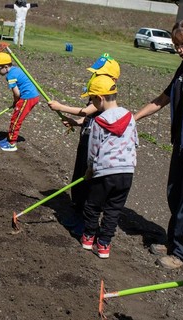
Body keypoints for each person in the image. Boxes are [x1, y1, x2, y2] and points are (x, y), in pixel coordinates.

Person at [134, 18, 183, 270]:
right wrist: (133, 118)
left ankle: (181, 254)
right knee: (174, 194)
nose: (180, 50)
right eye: (177, 45)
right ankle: (173, 240)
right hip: (181, 142)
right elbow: (163, 99)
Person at [47, 54, 120, 235]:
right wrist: (75, 122)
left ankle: (84, 220)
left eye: (98, 73)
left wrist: (60, 107)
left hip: (94, 146)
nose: (94, 76)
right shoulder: (96, 92)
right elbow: (87, 117)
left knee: (87, 182)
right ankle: (77, 209)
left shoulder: (104, 97)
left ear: (111, 78)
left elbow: (87, 111)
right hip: (85, 139)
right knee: (77, 177)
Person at [79, 75, 138, 259]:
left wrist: (89, 169)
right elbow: (135, 142)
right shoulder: (129, 117)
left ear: (100, 98)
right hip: (126, 172)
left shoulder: (98, 121)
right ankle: (104, 245)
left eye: (92, 99)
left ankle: (89, 237)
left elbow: (93, 148)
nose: (92, 103)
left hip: (104, 171)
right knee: (113, 209)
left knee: (92, 205)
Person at [0, 52, 39, 152]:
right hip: (31, 96)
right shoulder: (16, 69)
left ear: (5, 67)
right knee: (15, 119)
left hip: (27, 98)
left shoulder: (10, 76)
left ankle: (12, 144)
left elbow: (17, 93)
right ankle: (9, 139)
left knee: (16, 120)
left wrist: (16, 101)